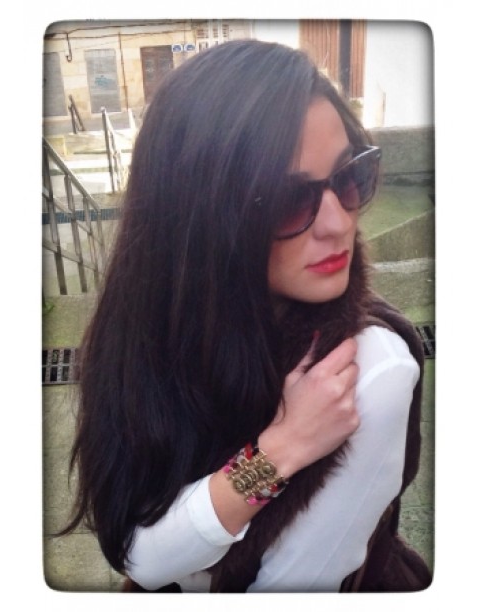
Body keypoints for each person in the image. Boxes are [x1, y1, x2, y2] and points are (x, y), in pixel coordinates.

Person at [61, 39, 432, 592]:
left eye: (349, 176)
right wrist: (281, 450)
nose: (338, 224)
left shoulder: (367, 370)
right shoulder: (145, 330)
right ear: (202, 218)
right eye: (287, 199)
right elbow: (132, 545)